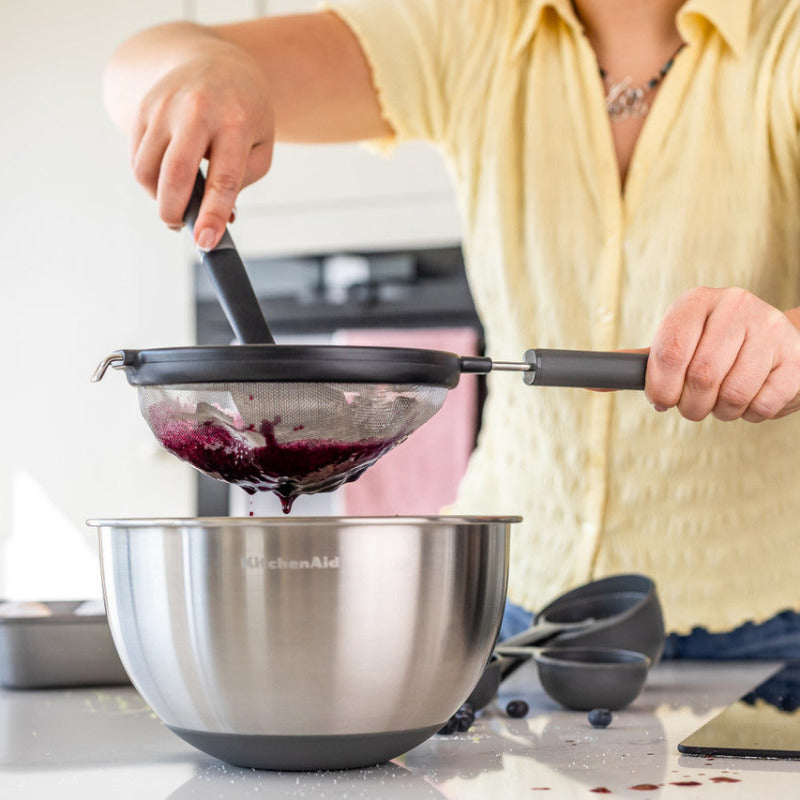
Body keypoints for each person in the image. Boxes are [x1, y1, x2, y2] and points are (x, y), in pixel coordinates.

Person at [103, 0, 800, 656]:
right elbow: (137, 66)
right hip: (499, 612)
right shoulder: (474, 26)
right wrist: (211, 72)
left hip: (769, 633)